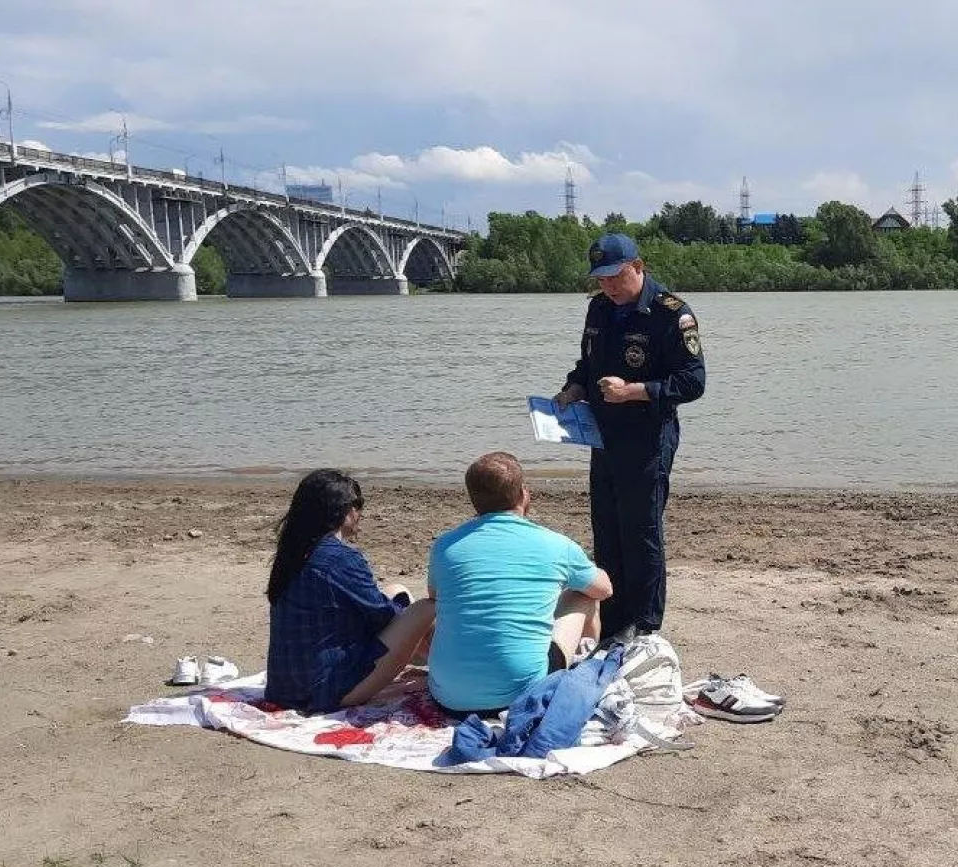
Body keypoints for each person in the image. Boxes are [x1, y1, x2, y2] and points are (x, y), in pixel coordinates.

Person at [552, 232, 705, 644]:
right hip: (603, 436)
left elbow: (693, 382)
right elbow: (588, 364)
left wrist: (632, 391)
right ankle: (613, 614)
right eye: (600, 279)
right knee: (607, 526)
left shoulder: (672, 314)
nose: (608, 287)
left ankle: (643, 622)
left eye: (615, 277)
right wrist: (572, 390)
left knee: (640, 530)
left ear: (638, 267)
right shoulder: (599, 310)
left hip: (648, 437)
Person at [426, 451, 613, 714]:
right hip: (521, 695)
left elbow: (434, 595)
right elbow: (604, 589)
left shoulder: (445, 546)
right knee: (584, 595)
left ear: (474, 500)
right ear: (524, 494)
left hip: (448, 697)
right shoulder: (555, 544)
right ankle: (587, 662)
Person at [264, 469, 437, 714]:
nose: (360, 514)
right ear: (342, 510)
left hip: (284, 687)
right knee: (425, 609)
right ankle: (450, 667)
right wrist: (416, 620)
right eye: (358, 505)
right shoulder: (340, 559)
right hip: (325, 691)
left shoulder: (292, 553)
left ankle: (433, 659)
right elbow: (385, 616)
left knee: (396, 590)